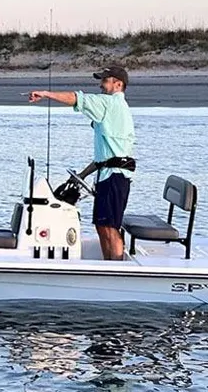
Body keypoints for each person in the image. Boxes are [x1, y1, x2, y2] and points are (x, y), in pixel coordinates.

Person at [28, 65, 135, 260]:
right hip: (108, 174)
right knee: (101, 225)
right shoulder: (113, 108)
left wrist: (45, 94)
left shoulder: (109, 104)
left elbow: (77, 98)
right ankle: (108, 265)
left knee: (110, 226)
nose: (101, 85)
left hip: (115, 177)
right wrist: (82, 176)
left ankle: (117, 269)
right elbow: (103, 158)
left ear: (118, 84)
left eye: (105, 81)